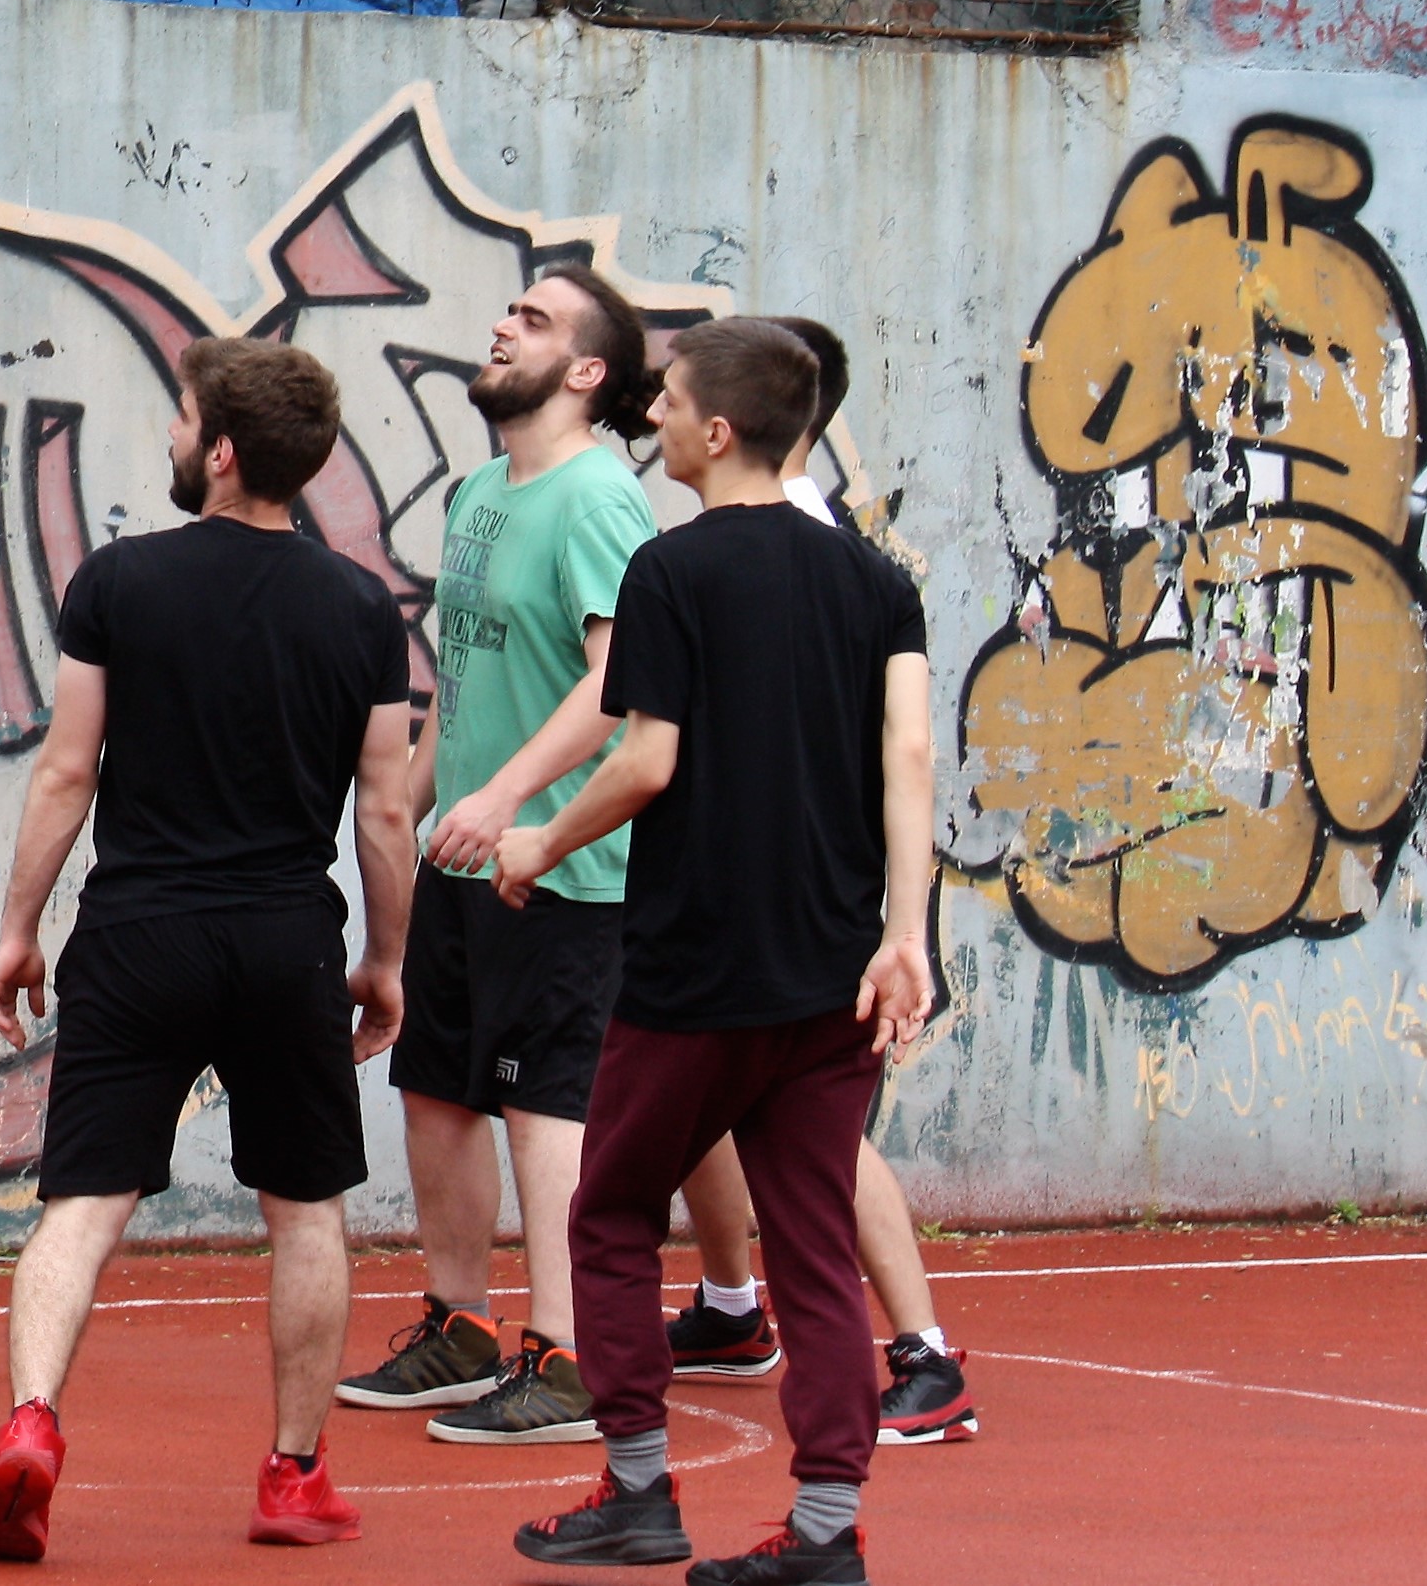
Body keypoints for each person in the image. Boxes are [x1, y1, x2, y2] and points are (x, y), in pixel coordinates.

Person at [493, 319, 935, 1586]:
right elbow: (907, 754)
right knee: (814, 1243)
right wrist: (903, 934)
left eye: (673, 402)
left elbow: (646, 757)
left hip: (694, 972)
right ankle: (825, 1531)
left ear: (720, 430)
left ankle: (637, 1490)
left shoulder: (670, 570)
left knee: (609, 1215)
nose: (657, 418)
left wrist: (538, 840)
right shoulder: (875, 580)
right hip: (829, 973)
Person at [0, 338, 417, 1561]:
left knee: (82, 1203)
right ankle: (293, 1474)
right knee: (306, 1211)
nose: (169, 435)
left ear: (219, 451)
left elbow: (66, 771)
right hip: (284, 940)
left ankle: (30, 1421)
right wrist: (385, 961)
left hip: (137, 935)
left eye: (179, 418)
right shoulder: (361, 609)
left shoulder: (118, 581)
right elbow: (385, 811)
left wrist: (17, 928)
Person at [336, 268, 658, 1447]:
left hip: (557, 865)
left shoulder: (599, 499)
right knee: (435, 1089)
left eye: (531, 319)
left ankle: (569, 1359)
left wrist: (510, 797)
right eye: (506, 309)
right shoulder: (478, 490)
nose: (501, 325)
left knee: (545, 1107)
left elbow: (619, 684)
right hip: (464, 859)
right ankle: (461, 1326)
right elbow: (465, 679)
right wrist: (403, 803)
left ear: (586, 370)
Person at [664, 322, 977, 1448]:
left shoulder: (809, 552)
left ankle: (923, 1351)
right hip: (728, 894)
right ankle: (730, 1303)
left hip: (793, 902)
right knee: (703, 1097)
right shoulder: (743, 538)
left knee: (819, 1139)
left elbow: (900, 751)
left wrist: (901, 925)